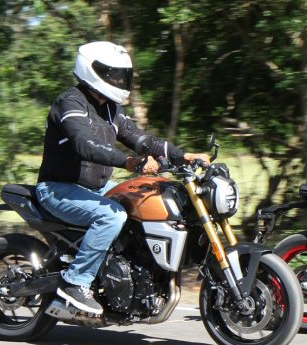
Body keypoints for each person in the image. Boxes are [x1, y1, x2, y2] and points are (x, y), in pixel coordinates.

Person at [36, 41, 209, 314]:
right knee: (112, 216)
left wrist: (183, 156)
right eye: (113, 75)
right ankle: (75, 282)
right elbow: (85, 144)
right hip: (58, 188)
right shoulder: (70, 102)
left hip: (95, 187)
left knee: (146, 198)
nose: (119, 81)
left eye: (122, 75)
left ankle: (130, 277)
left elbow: (141, 139)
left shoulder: (111, 109)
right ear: (92, 70)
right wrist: (129, 162)